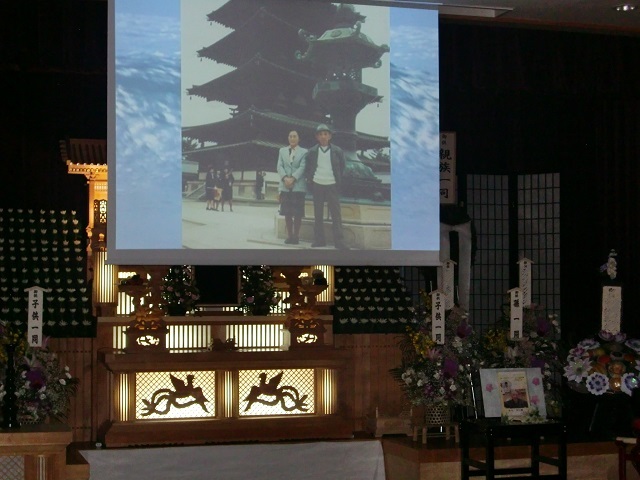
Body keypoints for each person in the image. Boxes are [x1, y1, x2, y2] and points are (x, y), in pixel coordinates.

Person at [303, 124, 348, 249]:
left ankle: (339, 241)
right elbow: (308, 168)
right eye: (320, 134)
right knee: (318, 213)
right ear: (317, 137)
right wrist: (310, 180)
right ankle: (319, 240)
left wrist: (337, 179)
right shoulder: (312, 151)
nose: (323, 136)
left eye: (325, 134)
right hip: (317, 183)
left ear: (330, 136)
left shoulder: (337, 151)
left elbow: (342, 167)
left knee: (336, 214)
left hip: (332, 184)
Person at [277, 131, 307, 244]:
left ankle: (296, 236)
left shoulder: (304, 152)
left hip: (298, 186)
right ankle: (289, 236)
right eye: (290, 136)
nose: (292, 138)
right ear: (288, 138)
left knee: (298, 213)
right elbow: (279, 166)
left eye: (295, 136)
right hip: (285, 186)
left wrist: (293, 178)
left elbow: (303, 167)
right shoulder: (282, 151)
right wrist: (285, 178)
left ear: (299, 139)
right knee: (287, 212)